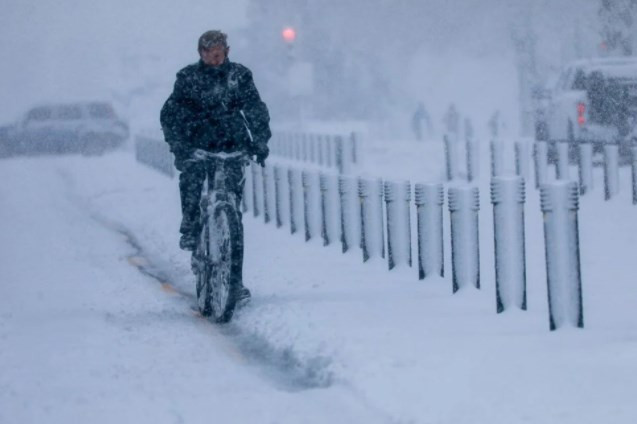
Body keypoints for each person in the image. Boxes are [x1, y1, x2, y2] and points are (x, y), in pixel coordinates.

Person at [160, 30, 271, 299]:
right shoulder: (188, 78)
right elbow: (171, 114)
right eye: (210, 50)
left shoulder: (240, 76)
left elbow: (254, 108)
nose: (215, 55)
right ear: (201, 53)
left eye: (220, 49)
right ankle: (190, 225)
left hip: (233, 145)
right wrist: (180, 147)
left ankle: (234, 282)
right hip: (198, 144)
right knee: (192, 177)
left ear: (227, 51)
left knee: (233, 209)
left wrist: (260, 141)